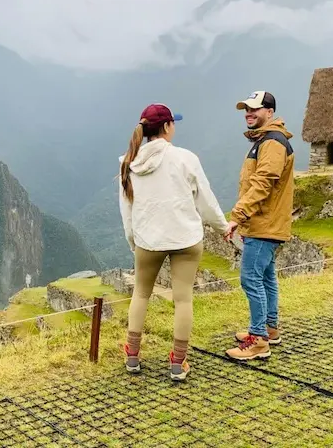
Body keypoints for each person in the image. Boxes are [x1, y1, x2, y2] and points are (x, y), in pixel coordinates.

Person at [119, 103, 230, 380]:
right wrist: (222, 226)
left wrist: (134, 241)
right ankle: (178, 363)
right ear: (167, 126)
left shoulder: (129, 162)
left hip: (148, 240)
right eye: (173, 123)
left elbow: (127, 211)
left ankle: (132, 356)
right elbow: (205, 199)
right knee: (183, 299)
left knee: (141, 294)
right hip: (186, 238)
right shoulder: (185, 158)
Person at [224, 91, 295, 361]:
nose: (249, 114)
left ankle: (258, 341)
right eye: (246, 109)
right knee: (266, 277)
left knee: (251, 279)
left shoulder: (273, 142)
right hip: (266, 222)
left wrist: (237, 215)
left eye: (255, 109)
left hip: (264, 223)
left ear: (270, 111)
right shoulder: (265, 140)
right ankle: (269, 328)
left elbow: (263, 182)